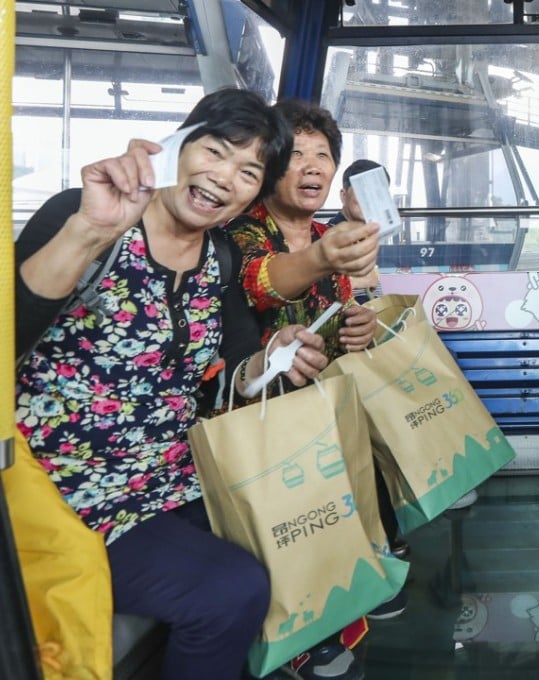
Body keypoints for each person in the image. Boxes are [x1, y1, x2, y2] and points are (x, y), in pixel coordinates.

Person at [14, 87, 331, 680]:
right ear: (180, 146)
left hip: (173, 477)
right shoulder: (82, 217)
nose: (222, 179)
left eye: (247, 172)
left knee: (296, 531)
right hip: (67, 492)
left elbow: (237, 364)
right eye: (214, 152)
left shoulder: (222, 258)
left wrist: (272, 357)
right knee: (231, 590)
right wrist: (88, 231)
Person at [224, 99, 407, 679]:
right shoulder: (241, 232)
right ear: (271, 163)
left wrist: (360, 324)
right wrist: (324, 257)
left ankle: (347, 595)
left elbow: (353, 309)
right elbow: (261, 282)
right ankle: (302, 631)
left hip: (327, 404)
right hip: (260, 411)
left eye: (322, 155)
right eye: (295, 153)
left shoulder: (333, 233)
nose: (311, 166)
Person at [328, 158, 389, 302]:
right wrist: (355, 281)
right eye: (362, 192)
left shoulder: (368, 235)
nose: (370, 200)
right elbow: (311, 291)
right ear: (343, 196)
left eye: (379, 193)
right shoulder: (328, 235)